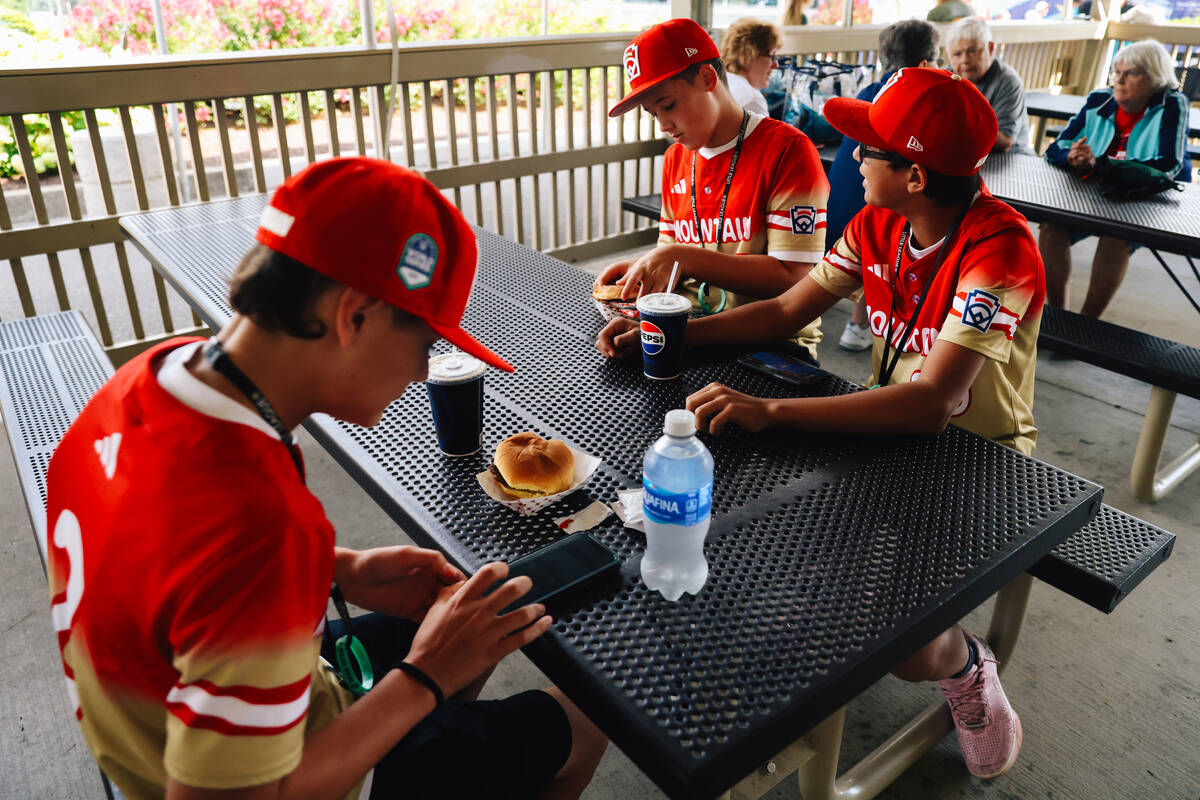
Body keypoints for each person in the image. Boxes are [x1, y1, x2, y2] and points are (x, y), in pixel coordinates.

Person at [46, 157, 607, 800]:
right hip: (240, 772)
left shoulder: (149, 378)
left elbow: (173, 560)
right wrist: (424, 678)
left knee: (475, 627)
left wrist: (339, 570)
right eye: (425, 345)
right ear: (354, 315)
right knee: (583, 722)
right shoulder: (260, 525)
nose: (423, 374)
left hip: (147, 720)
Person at [598, 68, 1044, 780]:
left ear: (918, 175)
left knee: (904, 650)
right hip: (879, 427)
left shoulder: (1002, 253)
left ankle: (966, 666)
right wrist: (667, 333)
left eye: (870, 149)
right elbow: (784, 312)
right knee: (775, 546)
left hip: (977, 460)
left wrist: (771, 410)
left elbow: (932, 404)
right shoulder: (877, 224)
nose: (855, 158)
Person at [597, 18, 830, 363]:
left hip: (773, 345)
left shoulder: (788, 150)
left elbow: (793, 277)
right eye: (652, 114)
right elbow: (672, 255)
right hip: (691, 326)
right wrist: (641, 270)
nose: (663, 124)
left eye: (669, 105)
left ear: (708, 78)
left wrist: (682, 258)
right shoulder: (676, 159)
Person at [1040, 39, 1192, 318]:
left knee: (1115, 237)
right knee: (1051, 228)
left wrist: (1100, 165)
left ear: (1155, 77)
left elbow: (1168, 166)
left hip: (1148, 197)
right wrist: (1072, 158)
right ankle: (1059, 314)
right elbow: (1057, 146)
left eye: (1131, 73)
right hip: (1095, 192)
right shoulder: (1100, 98)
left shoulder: (1172, 105)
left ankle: (1086, 324)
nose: (1119, 80)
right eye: (1116, 72)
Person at [828, 19, 940, 352]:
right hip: (866, 240)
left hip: (832, 228)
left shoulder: (866, 94)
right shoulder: (916, 108)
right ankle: (865, 323)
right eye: (937, 62)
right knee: (912, 218)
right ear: (923, 66)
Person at [947, 17, 1034, 155]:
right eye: (957, 54)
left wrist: (954, 130)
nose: (964, 60)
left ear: (990, 48)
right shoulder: (947, 78)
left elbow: (1006, 141)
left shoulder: (1007, 80)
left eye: (972, 51)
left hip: (1011, 159)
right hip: (967, 156)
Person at [720, 18, 781, 117]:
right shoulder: (752, 100)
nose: (776, 65)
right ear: (748, 56)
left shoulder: (723, 81)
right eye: (772, 56)